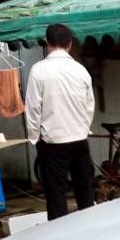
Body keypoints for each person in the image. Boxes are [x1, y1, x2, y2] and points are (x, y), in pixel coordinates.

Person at [25, 23, 96, 220]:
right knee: (85, 189)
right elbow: (89, 105)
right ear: (70, 45)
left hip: (53, 141)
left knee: (56, 193)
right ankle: (89, 231)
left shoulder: (39, 70)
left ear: (47, 42)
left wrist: (34, 137)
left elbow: (32, 107)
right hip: (80, 139)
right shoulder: (80, 70)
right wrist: (84, 128)